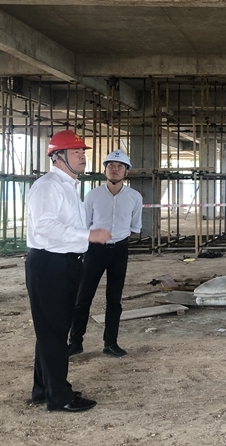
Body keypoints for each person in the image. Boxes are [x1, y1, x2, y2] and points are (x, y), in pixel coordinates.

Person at [25, 130, 111, 412]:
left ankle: (44, 389)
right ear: (58, 157)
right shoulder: (48, 186)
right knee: (54, 331)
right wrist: (88, 235)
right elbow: (45, 226)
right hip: (50, 264)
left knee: (52, 329)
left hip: (65, 263)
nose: (83, 157)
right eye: (76, 152)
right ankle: (60, 397)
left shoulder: (69, 187)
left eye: (83, 152)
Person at [68, 149, 143, 358]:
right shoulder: (93, 195)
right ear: (105, 170)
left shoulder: (134, 197)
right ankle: (75, 342)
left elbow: (134, 227)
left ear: (126, 171)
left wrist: (117, 239)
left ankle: (110, 343)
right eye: (110, 166)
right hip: (95, 251)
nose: (114, 169)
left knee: (114, 300)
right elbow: (85, 225)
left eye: (119, 166)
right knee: (83, 298)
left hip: (119, 251)